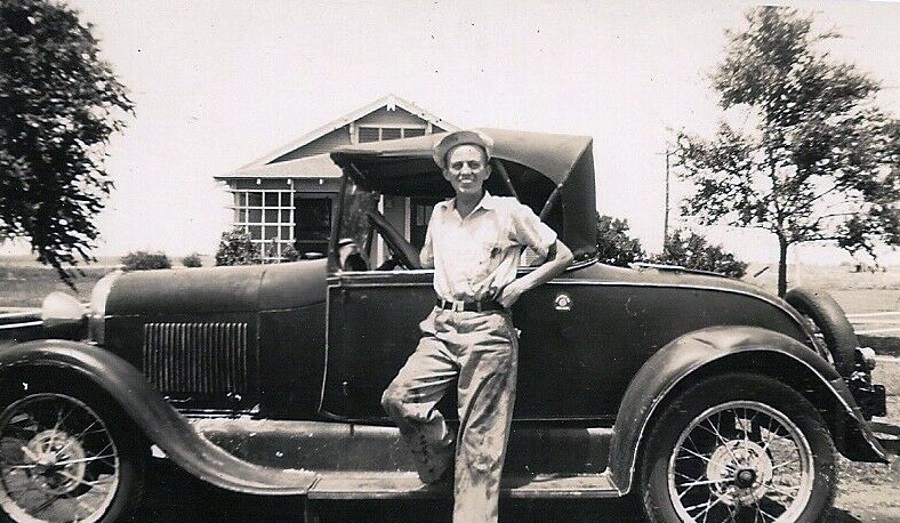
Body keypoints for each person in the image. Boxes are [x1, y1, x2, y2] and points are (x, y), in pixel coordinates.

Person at [380, 130, 574, 523]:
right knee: (399, 398)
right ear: (448, 175)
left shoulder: (508, 211)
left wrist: (520, 284)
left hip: (489, 329)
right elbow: (426, 261)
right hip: (441, 326)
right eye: (457, 166)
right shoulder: (439, 214)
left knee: (481, 444)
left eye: (473, 164)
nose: (465, 170)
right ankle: (442, 465)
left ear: (486, 170)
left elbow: (562, 255)